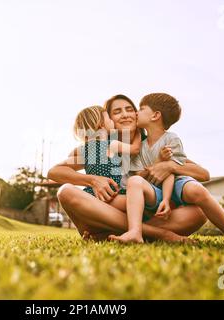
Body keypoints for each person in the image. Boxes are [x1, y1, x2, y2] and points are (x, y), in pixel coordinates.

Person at [109, 93, 224, 247]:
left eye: (140, 109)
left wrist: (167, 191)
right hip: (152, 191)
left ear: (155, 116)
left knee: (196, 190)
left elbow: (185, 172)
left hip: (174, 183)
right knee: (134, 182)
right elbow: (141, 176)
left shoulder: (170, 140)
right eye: (117, 111)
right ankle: (138, 233)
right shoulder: (135, 147)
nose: (136, 113)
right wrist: (157, 164)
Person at [48, 94, 210, 243]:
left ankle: (117, 233)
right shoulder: (97, 148)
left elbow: (203, 174)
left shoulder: (153, 145)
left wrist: (169, 165)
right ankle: (156, 234)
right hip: (105, 210)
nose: (125, 115)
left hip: (149, 214)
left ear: (137, 115)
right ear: (107, 120)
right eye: (117, 112)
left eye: (130, 110)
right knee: (65, 192)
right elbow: (56, 171)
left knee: (198, 213)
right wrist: (92, 180)